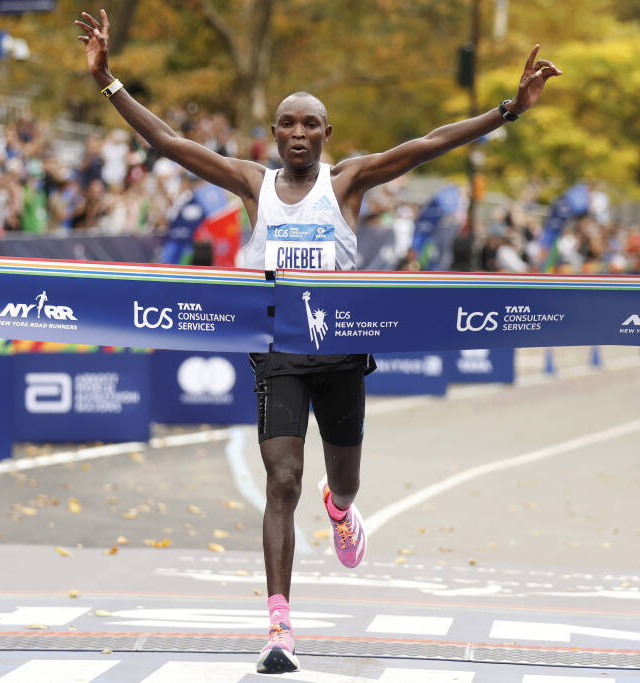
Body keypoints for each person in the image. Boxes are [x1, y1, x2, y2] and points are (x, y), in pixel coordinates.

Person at [74, 9, 560, 674]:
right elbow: (170, 142)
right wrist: (108, 82)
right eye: (287, 123)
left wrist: (509, 110)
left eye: (310, 124)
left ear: (326, 135)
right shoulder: (253, 184)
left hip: (341, 352)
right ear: (273, 134)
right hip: (278, 348)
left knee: (342, 480)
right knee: (282, 479)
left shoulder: (346, 182)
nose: (298, 133)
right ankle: (279, 626)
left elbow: (427, 143)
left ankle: (341, 510)